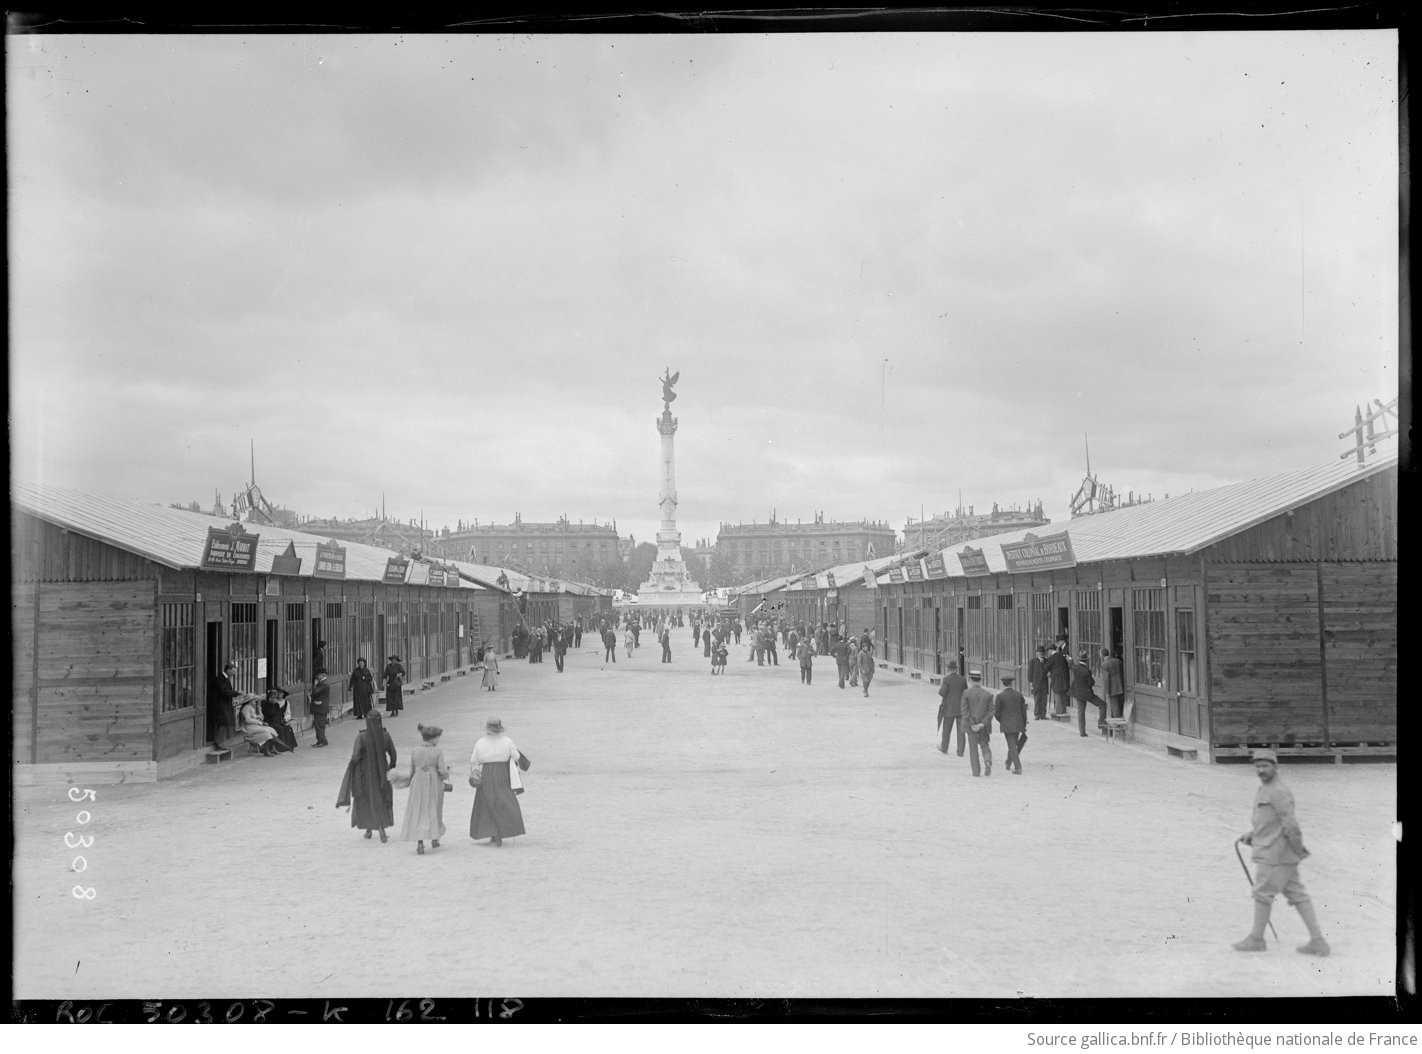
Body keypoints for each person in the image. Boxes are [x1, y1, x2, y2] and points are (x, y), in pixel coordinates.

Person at [1233, 749, 1329, 956]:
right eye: (1258, 766)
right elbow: (1269, 821)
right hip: (1274, 850)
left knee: (1262, 893)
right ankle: (1318, 942)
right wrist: (1253, 834)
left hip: (1275, 854)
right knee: (1296, 893)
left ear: (1276, 767)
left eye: (1265, 766)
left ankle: (1256, 939)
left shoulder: (1278, 791)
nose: (1261, 770)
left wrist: (1296, 849)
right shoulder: (1265, 788)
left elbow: (1291, 826)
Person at [336, 711, 398, 842]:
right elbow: (393, 754)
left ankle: (372, 830)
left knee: (366, 800)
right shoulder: (386, 736)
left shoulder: (362, 737)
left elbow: (356, 756)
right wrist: (390, 769)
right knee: (380, 799)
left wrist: (354, 765)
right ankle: (376, 829)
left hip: (365, 775)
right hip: (382, 774)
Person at [469, 718, 527, 847]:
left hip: (487, 773)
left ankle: (493, 831)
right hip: (503, 773)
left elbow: (474, 759)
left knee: (487, 802)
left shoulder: (480, 742)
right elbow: (516, 756)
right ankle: (502, 830)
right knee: (504, 801)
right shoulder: (507, 741)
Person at [399, 723, 450, 855]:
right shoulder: (437, 752)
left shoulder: (415, 751)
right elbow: (442, 771)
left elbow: (412, 770)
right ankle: (434, 838)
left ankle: (420, 843)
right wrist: (446, 774)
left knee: (419, 811)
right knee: (434, 809)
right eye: (438, 738)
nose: (439, 740)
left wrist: (408, 781)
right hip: (434, 783)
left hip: (418, 782)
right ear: (432, 738)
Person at [962, 670, 995, 777]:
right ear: (981, 680)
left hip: (970, 726)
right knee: (985, 745)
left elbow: (964, 711)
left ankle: (976, 772)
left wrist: (972, 724)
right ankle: (987, 761)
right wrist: (982, 724)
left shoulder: (966, 693)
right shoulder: (988, 695)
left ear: (970, 680)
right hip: (983, 726)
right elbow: (991, 712)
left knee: (973, 749)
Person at [994, 674, 1028, 775]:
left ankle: (1018, 767)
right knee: (1013, 744)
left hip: (1007, 724)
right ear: (1012, 683)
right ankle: (1008, 762)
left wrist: (1002, 721)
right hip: (1018, 723)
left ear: (1003, 684)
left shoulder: (1000, 696)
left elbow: (997, 713)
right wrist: (1024, 723)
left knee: (1012, 745)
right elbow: (1024, 712)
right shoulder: (1019, 695)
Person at [1069, 649, 1103, 738]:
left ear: (1079, 659)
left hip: (1078, 693)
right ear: (1086, 660)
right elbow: (1090, 683)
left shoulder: (1075, 668)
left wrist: (1070, 660)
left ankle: (1082, 732)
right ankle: (1101, 723)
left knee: (1081, 711)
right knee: (1103, 705)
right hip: (1087, 694)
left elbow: (1071, 665)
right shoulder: (1087, 671)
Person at [937, 666, 968, 757]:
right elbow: (965, 692)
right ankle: (960, 751)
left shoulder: (946, 679)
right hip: (960, 708)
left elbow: (942, 692)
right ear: (956, 669)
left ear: (948, 669)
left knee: (946, 729)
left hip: (949, 708)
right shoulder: (962, 679)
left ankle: (944, 748)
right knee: (961, 731)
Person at [209, 661, 238, 750]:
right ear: (228, 670)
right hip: (220, 705)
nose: (234, 674)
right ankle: (219, 743)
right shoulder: (219, 679)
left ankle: (222, 742)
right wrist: (236, 693)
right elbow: (224, 692)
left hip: (225, 705)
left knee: (226, 723)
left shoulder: (225, 678)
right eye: (233, 672)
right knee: (223, 723)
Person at [261, 687, 299, 752]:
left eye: (281, 693)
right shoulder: (266, 703)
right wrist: (274, 704)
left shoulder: (284, 703)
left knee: (287, 728)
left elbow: (286, 713)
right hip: (269, 721)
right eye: (278, 693)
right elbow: (270, 713)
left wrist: (285, 719)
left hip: (279, 720)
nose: (279, 695)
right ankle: (280, 747)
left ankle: (289, 746)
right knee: (280, 728)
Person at [1045, 641, 1071, 718]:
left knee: (1057, 694)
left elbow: (1046, 667)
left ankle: (1059, 712)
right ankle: (1063, 711)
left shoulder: (1052, 658)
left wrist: (1050, 671)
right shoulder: (1061, 656)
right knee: (1063, 694)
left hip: (1056, 679)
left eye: (1048, 651)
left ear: (1050, 650)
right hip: (1064, 678)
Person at [1102, 648, 1126, 721]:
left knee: (1114, 706)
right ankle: (1120, 720)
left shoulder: (1104, 664)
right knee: (1120, 704)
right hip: (1121, 686)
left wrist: (1107, 690)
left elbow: (1106, 679)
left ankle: (1117, 725)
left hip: (1112, 688)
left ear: (1102, 655)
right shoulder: (1117, 661)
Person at [309, 672, 331, 747]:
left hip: (320, 707)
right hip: (320, 707)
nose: (317, 676)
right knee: (318, 724)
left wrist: (314, 686)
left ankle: (322, 741)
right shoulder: (323, 683)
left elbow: (316, 693)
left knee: (319, 725)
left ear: (322, 675)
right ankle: (321, 740)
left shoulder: (324, 684)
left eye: (318, 675)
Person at [1028, 644, 1049, 721]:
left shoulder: (1047, 661)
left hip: (1044, 683)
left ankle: (1043, 714)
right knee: (1037, 700)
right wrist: (1031, 683)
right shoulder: (1033, 661)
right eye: (1040, 652)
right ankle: (1037, 714)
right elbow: (1030, 673)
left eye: (1043, 652)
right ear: (1037, 653)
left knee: (1044, 700)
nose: (1041, 654)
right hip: (1036, 683)